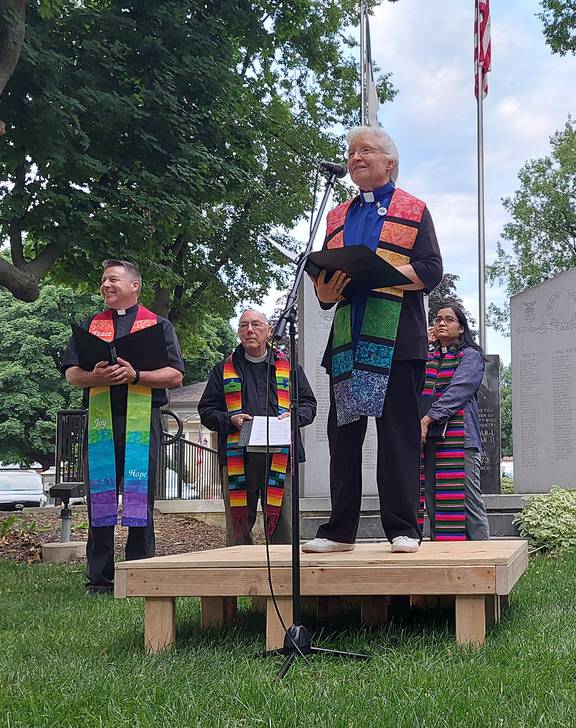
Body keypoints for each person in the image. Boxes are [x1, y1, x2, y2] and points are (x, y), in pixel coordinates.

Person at [302, 125, 443, 554]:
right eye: (350, 152)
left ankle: (403, 527)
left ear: (390, 163)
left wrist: (379, 275)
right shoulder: (337, 215)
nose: (355, 158)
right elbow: (328, 279)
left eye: (365, 150)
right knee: (344, 436)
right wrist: (323, 293)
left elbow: (431, 269)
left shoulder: (413, 209)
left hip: (397, 339)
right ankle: (339, 531)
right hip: (349, 339)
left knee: (397, 436)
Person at [61, 259, 184, 595]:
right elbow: (72, 374)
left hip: (142, 422)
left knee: (139, 498)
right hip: (102, 421)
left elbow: (175, 375)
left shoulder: (157, 326)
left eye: (113, 279)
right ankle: (100, 579)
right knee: (99, 498)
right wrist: (96, 376)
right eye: (103, 280)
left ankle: (140, 572)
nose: (105, 285)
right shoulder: (90, 325)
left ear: (134, 286)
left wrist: (137, 376)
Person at [198, 309, 316, 545]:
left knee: (284, 524)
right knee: (239, 525)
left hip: (281, 456)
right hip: (239, 456)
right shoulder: (222, 370)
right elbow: (207, 410)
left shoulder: (290, 368)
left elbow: (309, 405)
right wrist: (229, 420)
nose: (249, 330)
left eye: (256, 325)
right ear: (239, 332)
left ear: (268, 330)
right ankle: (240, 572)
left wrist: (293, 418)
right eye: (243, 326)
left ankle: (283, 575)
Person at [419, 304, 491, 541]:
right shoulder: (428, 357)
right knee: (434, 502)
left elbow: (460, 389)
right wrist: (423, 344)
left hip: (461, 442)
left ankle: (484, 559)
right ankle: (443, 560)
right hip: (429, 440)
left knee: (468, 503)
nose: (441, 323)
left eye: (449, 319)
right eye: (438, 319)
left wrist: (429, 418)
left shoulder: (471, 355)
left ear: (461, 328)